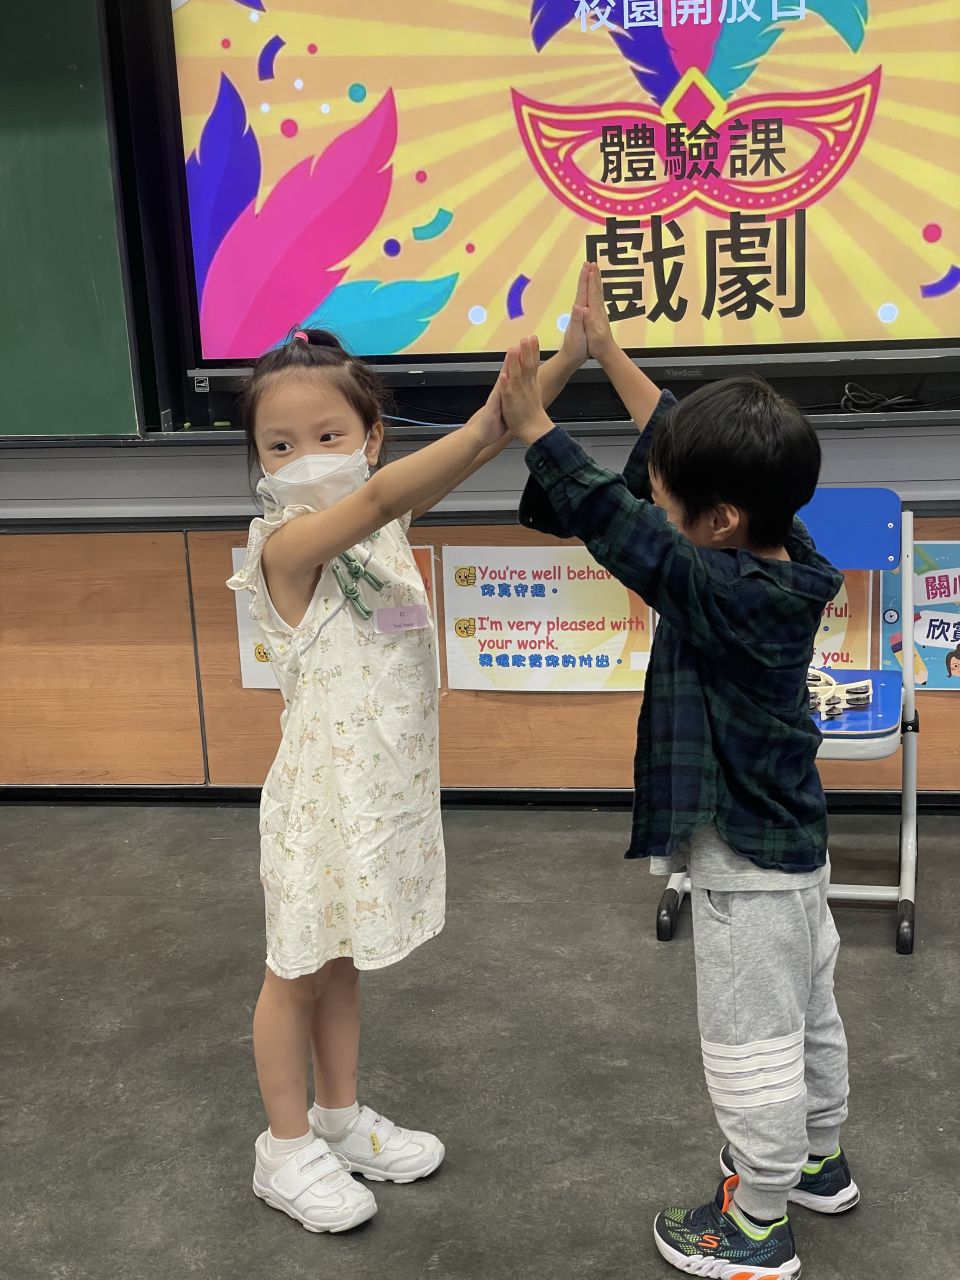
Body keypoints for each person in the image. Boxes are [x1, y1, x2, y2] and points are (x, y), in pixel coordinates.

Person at [498, 266, 856, 1280]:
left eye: (665, 491)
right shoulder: (786, 550)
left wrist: (535, 427)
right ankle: (818, 1160)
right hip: (795, 852)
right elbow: (679, 456)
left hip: (746, 864)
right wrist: (605, 353)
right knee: (810, 1015)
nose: (649, 490)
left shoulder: (716, 586)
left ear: (719, 519)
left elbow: (622, 532)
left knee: (752, 1041)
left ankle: (757, 1223)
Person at [228, 328, 512, 1233]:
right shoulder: (286, 547)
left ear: (372, 436)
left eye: (328, 436)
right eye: (280, 445)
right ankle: (283, 1151)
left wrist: (568, 362)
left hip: (379, 803)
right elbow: (395, 486)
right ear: (259, 461)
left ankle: (339, 1119)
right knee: (293, 973)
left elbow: (483, 440)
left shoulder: (380, 532)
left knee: (342, 965)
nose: (305, 459)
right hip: (319, 810)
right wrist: (489, 422)